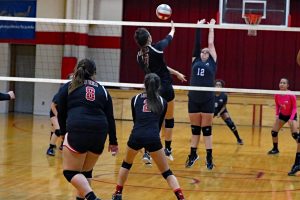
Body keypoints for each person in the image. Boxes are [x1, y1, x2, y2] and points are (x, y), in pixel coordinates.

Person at [112, 73, 185, 200]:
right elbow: (159, 124)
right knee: (166, 172)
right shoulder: (163, 101)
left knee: (126, 164)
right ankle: (180, 197)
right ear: (159, 86)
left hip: (136, 135)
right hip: (153, 137)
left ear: (144, 84)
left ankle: (118, 193)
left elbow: (136, 120)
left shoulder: (135, 99)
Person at [56, 58, 118, 200]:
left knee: (70, 173)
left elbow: (61, 112)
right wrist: (113, 141)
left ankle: (91, 197)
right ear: (94, 73)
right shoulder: (102, 90)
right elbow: (110, 117)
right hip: (99, 132)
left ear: (77, 69)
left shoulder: (69, 86)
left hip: (78, 128)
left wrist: (63, 133)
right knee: (86, 171)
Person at [134, 21, 187, 163]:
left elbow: (161, 66)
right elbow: (168, 39)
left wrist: (176, 73)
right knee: (169, 119)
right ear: (149, 38)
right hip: (165, 87)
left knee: (154, 121)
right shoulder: (157, 48)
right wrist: (173, 29)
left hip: (152, 90)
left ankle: (147, 153)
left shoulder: (139, 56)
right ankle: (168, 149)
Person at [185, 18, 217, 170]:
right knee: (195, 129)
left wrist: (210, 27)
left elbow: (210, 44)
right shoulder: (195, 60)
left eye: (206, 52)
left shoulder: (212, 62)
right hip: (193, 99)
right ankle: (193, 154)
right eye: (202, 52)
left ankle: (209, 157)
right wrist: (198, 27)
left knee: (207, 130)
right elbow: (197, 45)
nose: (204, 53)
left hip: (207, 99)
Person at [268, 78, 298, 155]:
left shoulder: (291, 95)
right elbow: (277, 105)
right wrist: (277, 115)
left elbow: (294, 108)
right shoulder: (277, 94)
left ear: (287, 85)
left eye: (284, 83)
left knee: (295, 135)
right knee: (274, 132)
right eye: (280, 82)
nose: (281, 84)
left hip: (292, 115)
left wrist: (291, 119)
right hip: (282, 115)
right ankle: (275, 149)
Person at [214, 79, 243, 145]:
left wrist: (219, 113)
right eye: (216, 85)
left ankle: (238, 139)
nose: (218, 86)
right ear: (214, 86)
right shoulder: (211, 94)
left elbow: (224, 106)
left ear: (222, 87)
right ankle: (196, 137)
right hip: (213, 110)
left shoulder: (224, 95)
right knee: (205, 123)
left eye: (219, 85)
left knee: (230, 123)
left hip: (222, 110)